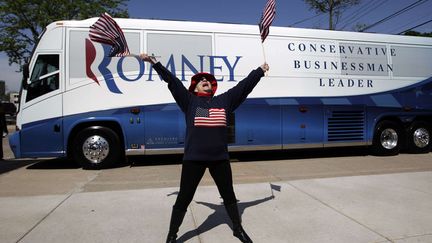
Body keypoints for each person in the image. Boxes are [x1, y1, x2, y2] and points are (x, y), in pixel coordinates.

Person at [140, 53, 269, 243]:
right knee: (184, 197)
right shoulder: (190, 102)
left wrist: (259, 71)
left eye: (207, 79)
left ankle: (237, 229)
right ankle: (172, 235)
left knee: (229, 195)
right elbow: (173, 82)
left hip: (220, 159)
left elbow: (244, 87)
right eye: (201, 80)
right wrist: (156, 64)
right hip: (194, 159)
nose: (204, 81)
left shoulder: (224, 101)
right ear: (195, 87)